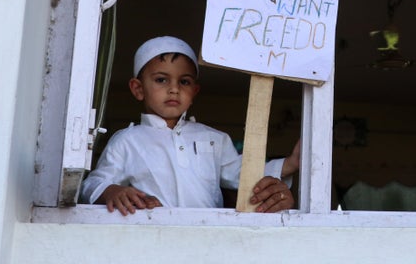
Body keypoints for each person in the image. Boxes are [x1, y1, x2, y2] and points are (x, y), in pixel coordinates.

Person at [80, 36, 300, 216]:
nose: (174, 89)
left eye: (184, 81)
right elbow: (92, 183)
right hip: (151, 239)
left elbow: (243, 174)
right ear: (138, 89)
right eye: (161, 80)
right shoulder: (127, 140)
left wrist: (290, 164)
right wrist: (111, 190)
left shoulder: (214, 138)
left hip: (206, 238)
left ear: (194, 92)